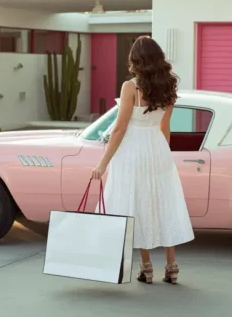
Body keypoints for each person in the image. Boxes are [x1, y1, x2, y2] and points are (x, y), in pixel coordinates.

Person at [91, 36, 194, 285]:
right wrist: (162, 154)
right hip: (157, 148)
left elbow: (119, 129)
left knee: (135, 202)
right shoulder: (169, 86)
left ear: (136, 60)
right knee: (162, 202)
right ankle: (172, 265)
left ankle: (146, 267)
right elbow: (164, 126)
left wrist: (102, 163)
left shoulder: (131, 87)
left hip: (133, 150)